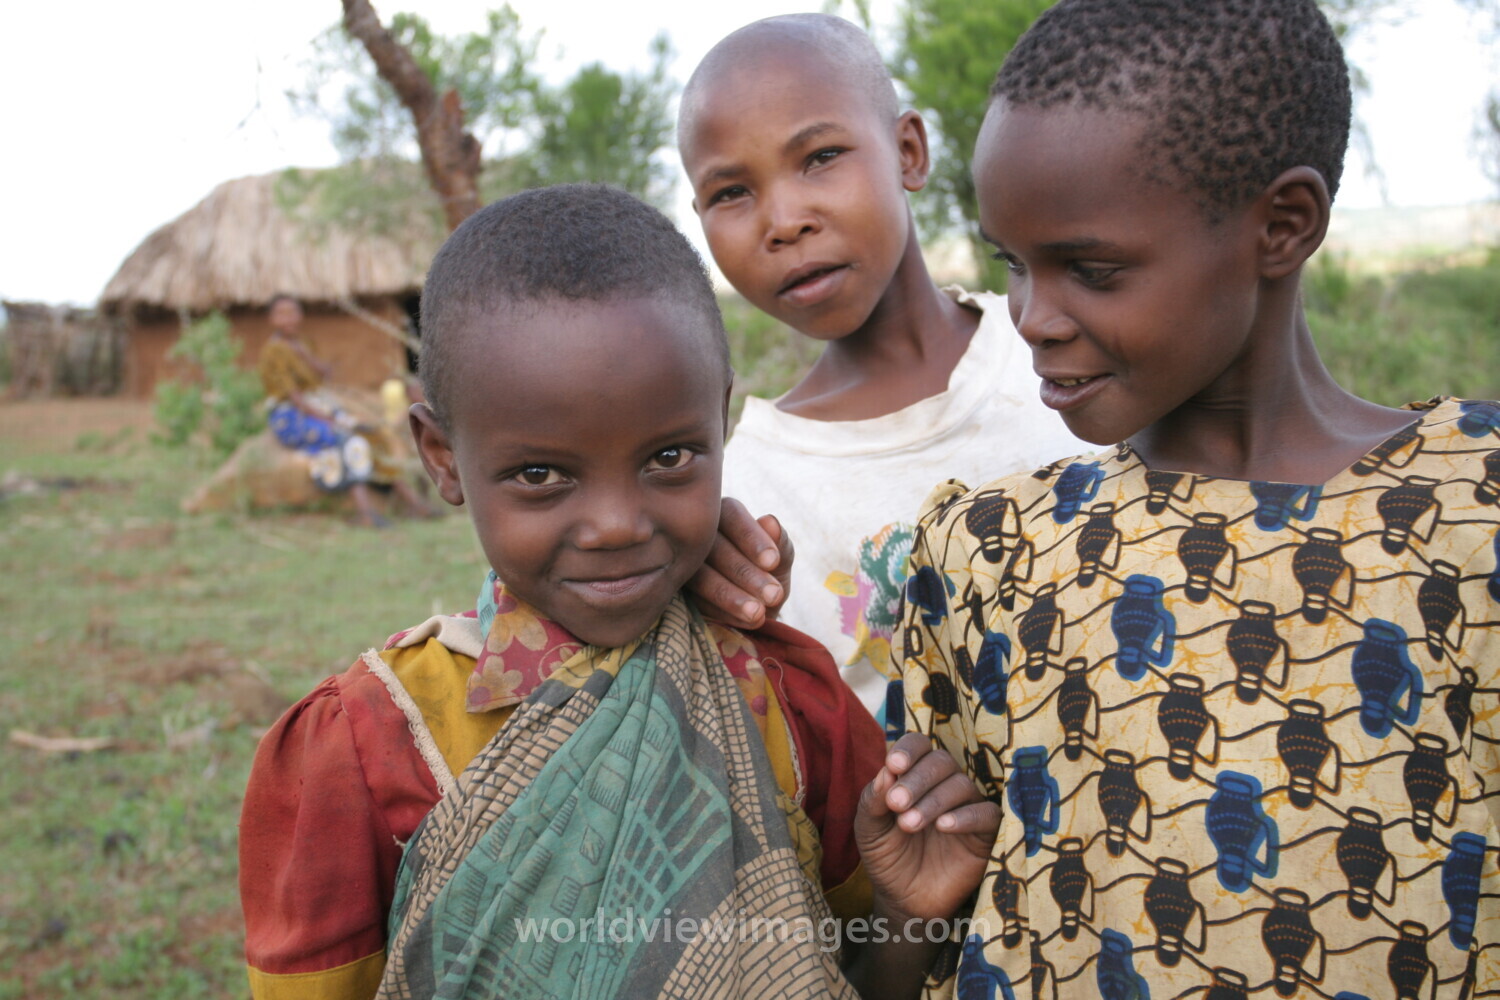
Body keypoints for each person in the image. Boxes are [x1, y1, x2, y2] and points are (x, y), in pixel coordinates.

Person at [239, 185, 998, 1000]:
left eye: (669, 458)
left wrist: (904, 914)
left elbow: (843, 977)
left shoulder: (791, 699)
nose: (615, 525)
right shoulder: (368, 745)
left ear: (719, 414)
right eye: (540, 475)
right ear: (439, 455)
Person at [899, 1, 1500, 996]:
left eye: (1091, 269)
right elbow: (929, 911)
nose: (1032, 317)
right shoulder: (988, 550)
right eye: (1012, 263)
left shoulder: (1474, 507)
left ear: (1282, 225)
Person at [675, 14, 1086, 725]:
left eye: (820, 156)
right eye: (731, 193)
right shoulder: (743, 498)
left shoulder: (1060, 353)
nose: (783, 220)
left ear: (908, 152)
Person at [257, 294, 432, 526]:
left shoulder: (304, 343)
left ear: (300, 315)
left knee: (371, 434)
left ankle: (413, 503)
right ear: (271, 319)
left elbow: (322, 376)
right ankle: (364, 512)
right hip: (291, 415)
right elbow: (295, 397)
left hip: (318, 404)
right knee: (347, 440)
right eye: (282, 314)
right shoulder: (272, 352)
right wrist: (330, 420)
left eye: (293, 312)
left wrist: (303, 354)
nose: (289, 319)